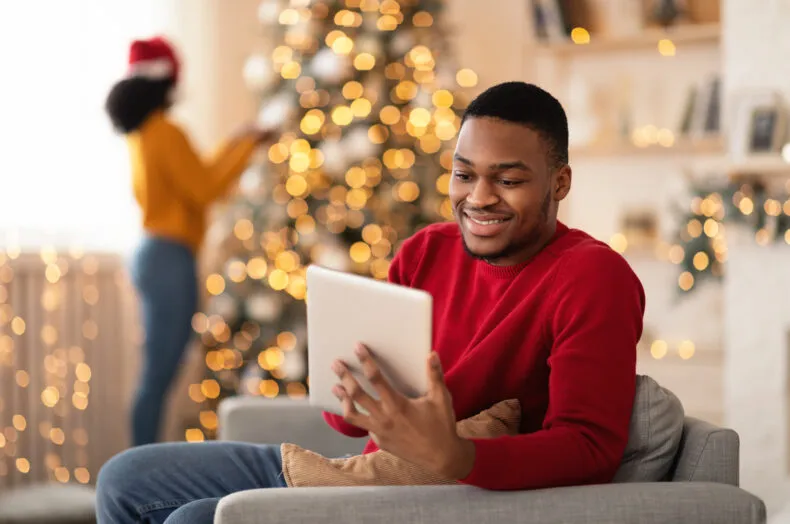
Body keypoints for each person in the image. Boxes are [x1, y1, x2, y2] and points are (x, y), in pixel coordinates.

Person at [96, 81, 645, 523]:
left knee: (195, 518)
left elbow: (590, 448)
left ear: (560, 182)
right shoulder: (427, 251)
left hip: (436, 499)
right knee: (123, 478)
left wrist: (457, 456)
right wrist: (353, 400)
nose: (478, 197)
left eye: (508, 180)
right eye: (464, 174)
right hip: (357, 475)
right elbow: (351, 428)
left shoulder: (593, 276)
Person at [105, 36, 274, 448]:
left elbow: (195, 176)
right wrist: (250, 144)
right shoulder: (166, 131)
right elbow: (207, 187)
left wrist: (236, 141)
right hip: (168, 257)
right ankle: (140, 471)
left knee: (156, 373)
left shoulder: (146, 132)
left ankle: (139, 465)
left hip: (153, 253)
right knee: (159, 373)